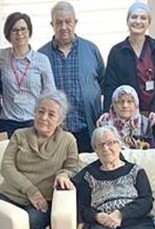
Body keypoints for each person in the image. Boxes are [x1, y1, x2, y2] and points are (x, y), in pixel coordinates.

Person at [0, 90, 80, 229]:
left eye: (51, 114)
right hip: (12, 194)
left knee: (32, 224)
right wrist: (30, 190)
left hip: (42, 202)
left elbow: (72, 166)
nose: (44, 117)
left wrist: (63, 174)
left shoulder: (68, 140)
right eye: (41, 111)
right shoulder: (20, 135)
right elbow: (6, 167)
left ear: (60, 120)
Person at [74, 125, 155, 229]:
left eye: (111, 143)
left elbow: (146, 201)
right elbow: (83, 207)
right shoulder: (88, 176)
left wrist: (120, 214)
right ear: (95, 150)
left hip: (136, 222)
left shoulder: (136, 171)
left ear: (119, 145)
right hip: (102, 225)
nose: (106, 148)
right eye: (101, 145)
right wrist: (98, 216)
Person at [102, 2, 155, 151]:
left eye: (143, 18)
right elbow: (110, 86)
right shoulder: (117, 52)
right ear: (127, 21)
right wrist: (107, 112)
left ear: (149, 22)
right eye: (134, 17)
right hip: (129, 122)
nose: (138, 21)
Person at [38, 1, 105, 153]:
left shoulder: (91, 50)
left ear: (75, 22)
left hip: (88, 129)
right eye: (58, 22)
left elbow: (104, 83)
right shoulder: (41, 56)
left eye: (68, 22)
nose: (63, 27)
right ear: (52, 24)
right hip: (56, 133)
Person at [0, 12, 57, 137]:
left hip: (33, 121)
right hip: (8, 122)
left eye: (23, 29)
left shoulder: (42, 60)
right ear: (8, 34)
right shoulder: (2, 56)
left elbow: (50, 93)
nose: (19, 34)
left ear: (29, 32)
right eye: (15, 30)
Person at [95, 85, 155, 150]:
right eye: (121, 101)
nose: (125, 106)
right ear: (114, 104)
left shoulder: (144, 123)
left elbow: (152, 149)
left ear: (136, 105)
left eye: (129, 101)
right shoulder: (104, 123)